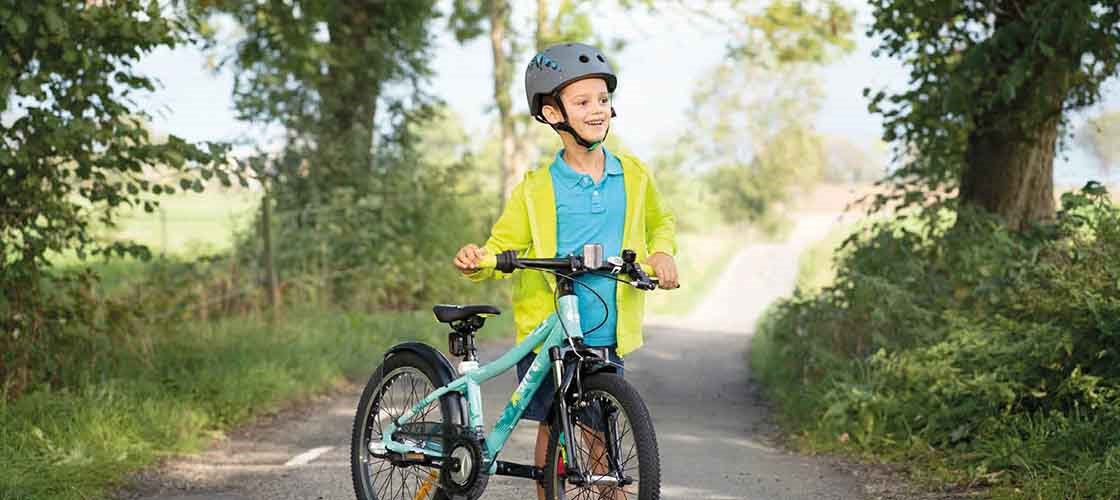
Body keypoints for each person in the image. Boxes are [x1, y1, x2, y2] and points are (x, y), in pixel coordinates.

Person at [453, 42, 678, 499]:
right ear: (553, 114)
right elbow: (504, 247)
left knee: (600, 424)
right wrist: (479, 262)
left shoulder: (633, 175)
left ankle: (608, 492)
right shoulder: (536, 189)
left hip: (607, 325)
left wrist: (663, 254)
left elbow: (660, 223)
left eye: (602, 99)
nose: (597, 110)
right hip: (551, 327)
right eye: (582, 102)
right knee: (557, 425)